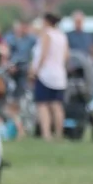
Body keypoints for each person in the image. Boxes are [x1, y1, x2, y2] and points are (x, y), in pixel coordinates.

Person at [29, 12, 69, 141]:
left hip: (46, 74)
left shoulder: (47, 35)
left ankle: (46, 133)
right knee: (57, 104)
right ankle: (59, 132)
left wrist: (36, 70)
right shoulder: (62, 36)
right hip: (59, 74)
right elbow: (66, 55)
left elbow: (43, 54)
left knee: (43, 105)